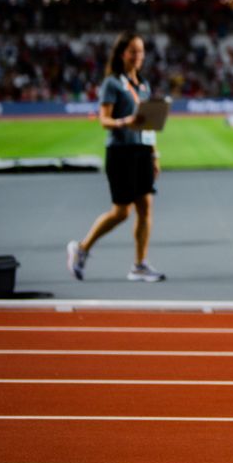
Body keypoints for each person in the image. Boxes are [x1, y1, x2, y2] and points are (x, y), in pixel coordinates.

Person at [66, 32, 165, 282]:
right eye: (133, 50)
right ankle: (82, 247)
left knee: (145, 208)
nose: (138, 56)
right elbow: (103, 120)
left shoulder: (143, 85)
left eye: (141, 51)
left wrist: (154, 155)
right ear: (123, 54)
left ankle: (140, 265)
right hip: (121, 152)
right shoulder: (111, 83)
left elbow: (147, 125)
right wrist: (126, 122)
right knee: (121, 212)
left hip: (142, 151)